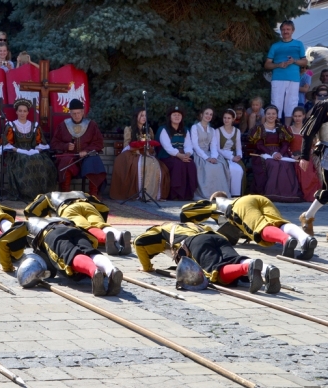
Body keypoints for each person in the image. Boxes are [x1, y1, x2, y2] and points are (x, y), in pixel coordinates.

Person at [133, 222, 281, 294]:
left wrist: (147, 267)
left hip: (194, 243)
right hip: (216, 236)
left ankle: (248, 268)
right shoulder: (190, 224)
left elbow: (139, 242)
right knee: (234, 259)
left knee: (215, 272)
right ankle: (266, 268)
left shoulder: (158, 229)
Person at [180, 192, 317, 261]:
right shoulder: (233, 206)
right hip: (258, 198)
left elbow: (185, 211)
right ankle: (305, 239)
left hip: (240, 206)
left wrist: (189, 221)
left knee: (259, 229)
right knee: (278, 223)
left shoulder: (216, 204)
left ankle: (286, 240)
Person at [26, 217, 123, 296]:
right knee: (91, 252)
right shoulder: (60, 218)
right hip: (74, 229)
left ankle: (94, 272)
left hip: (51, 233)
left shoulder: (29, 222)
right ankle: (112, 270)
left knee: (72, 254)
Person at [24, 191, 131, 256]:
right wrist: (101, 222)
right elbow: (103, 207)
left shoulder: (49, 195)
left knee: (86, 228)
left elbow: (31, 210)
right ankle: (119, 236)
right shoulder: (81, 193)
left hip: (68, 209)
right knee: (102, 225)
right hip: (87, 205)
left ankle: (107, 239)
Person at [1, 98, 57, 202]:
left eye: (25, 111)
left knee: (42, 162)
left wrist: (35, 151)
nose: (22, 113)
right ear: (16, 112)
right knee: (26, 161)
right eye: (20, 111)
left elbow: (41, 143)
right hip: (16, 153)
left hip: (33, 151)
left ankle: (41, 193)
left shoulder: (34, 126)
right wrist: (19, 150)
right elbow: (6, 143)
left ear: (28, 112)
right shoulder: (11, 126)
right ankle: (26, 194)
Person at [110, 107, 169, 201]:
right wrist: (137, 149)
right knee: (142, 165)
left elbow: (152, 145)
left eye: (145, 115)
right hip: (133, 153)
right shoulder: (129, 129)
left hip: (146, 153)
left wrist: (150, 148)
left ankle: (151, 194)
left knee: (155, 165)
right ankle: (140, 193)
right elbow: (127, 145)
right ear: (136, 116)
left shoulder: (149, 130)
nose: (144, 117)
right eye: (141, 115)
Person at [50, 99, 106, 196]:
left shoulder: (92, 125)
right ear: (70, 113)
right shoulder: (63, 126)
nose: (76, 116)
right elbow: (54, 143)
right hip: (70, 157)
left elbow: (99, 143)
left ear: (83, 112)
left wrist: (87, 151)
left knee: (94, 160)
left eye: (79, 113)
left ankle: (93, 194)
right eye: (74, 113)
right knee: (65, 162)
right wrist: (66, 146)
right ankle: (65, 194)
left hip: (86, 157)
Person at [249, 105, 302, 202]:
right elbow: (259, 145)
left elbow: (285, 143)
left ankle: (287, 194)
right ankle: (271, 193)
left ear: (277, 115)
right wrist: (272, 153)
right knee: (273, 164)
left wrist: (280, 153)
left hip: (280, 152)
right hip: (264, 153)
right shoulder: (259, 128)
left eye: (273, 114)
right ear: (265, 115)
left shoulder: (281, 128)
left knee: (285, 164)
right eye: (269, 114)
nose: (271, 116)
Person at [264, 20, 307, 127]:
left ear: (293, 30)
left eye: (288, 29)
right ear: (281, 31)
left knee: (291, 105)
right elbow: (267, 64)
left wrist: (294, 61)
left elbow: (305, 61)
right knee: (276, 104)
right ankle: (276, 128)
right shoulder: (275, 46)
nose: (285, 31)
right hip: (278, 78)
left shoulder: (299, 44)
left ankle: (287, 129)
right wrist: (278, 65)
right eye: (283, 29)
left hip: (294, 79)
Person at [298, 96, 328, 237]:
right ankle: (307, 217)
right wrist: (304, 156)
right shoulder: (324, 106)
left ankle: (308, 217)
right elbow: (309, 132)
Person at [190, 106, 231, 200]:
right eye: (206, 113)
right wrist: (206, 158)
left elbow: (213, 146)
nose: (208, 116)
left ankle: (219, 193)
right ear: (201, 115)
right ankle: (207, 194)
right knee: (207, 167)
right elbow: (195, 145)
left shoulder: (212, 130)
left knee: (220, 165)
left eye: (211, 114)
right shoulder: (195, 127)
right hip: (199, 153)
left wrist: (214, 157)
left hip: (209, 153)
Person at [156, 106, 197, 200]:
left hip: (182, 155)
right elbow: (167, 147)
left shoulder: (185, 130)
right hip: (167, 156)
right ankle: (175, 194)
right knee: (178, 164)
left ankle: (187, 195)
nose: (177, 117)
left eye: (179, 115)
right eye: (174, 115)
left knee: (190, 164)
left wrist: (187, 154)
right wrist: (179, 155)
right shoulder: (164, 129)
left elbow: (188, 145)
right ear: (170, 117)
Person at [289, 106, 321, 203]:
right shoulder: (288, 130)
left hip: (307, 156)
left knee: (307, 168)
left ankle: (312, 194)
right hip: (292, 157)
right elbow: (285, 145)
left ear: (304, 116)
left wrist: (308, 153)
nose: (297, 118)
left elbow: (315, 145)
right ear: (292, 117)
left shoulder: (309, 129)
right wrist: (292, 155)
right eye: (295, 116)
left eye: (299, 116)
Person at [217, 109, 246, 197]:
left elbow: (238, 147)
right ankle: (229, 193)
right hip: (222, 156)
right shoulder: (218, 131)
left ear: (233, 119)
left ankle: (236, 194)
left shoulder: (237, 131)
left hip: (234, 156)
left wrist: (239, 156)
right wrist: (231, 157)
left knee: (239, 169)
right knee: (231, 169)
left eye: (229, 118)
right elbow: (218, 149)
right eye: (225, 118)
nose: (226, 120)